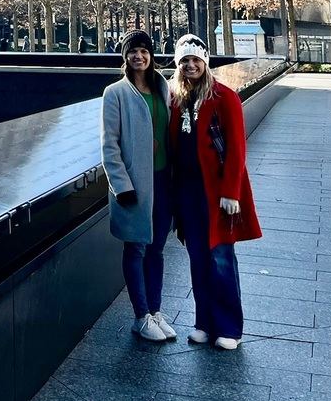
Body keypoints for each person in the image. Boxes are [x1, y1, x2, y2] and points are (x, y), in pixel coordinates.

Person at [168, 34, 261, 350]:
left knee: (220, 256)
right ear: (179, 65)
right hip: (188, 192)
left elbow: (236, 148)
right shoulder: (176, 99)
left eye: (195, 59)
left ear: (205, 63)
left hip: (217, 191)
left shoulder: (224, 97)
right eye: (185, 60)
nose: (190, 65)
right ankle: (204, 323)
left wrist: (231, 192)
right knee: (197, 257)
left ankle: (229, 328)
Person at [100, 29, 176, 343]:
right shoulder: (114, 93)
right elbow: (109, 146)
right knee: (135, 248)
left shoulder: (165, 89)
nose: (139, 56)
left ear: (151, 55)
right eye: (133, 52)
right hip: (134, 186)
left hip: (163, 181)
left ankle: (155, 312)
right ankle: (140, 316)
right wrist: (122, 185)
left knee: (157, 249)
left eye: (144, 51)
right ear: (125, 57)